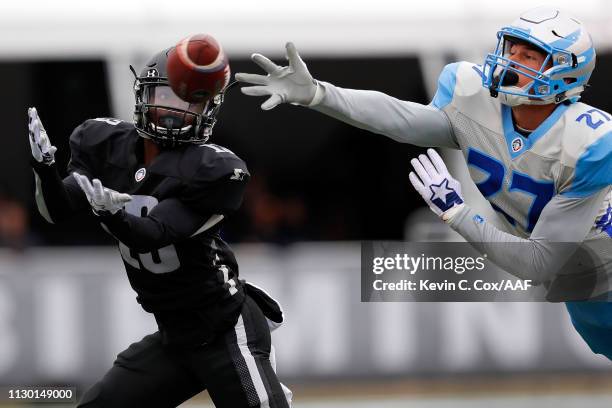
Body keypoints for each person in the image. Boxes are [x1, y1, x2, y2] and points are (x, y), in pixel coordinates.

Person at [236, 6, 612, 360]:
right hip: (582, 287)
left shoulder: (588, 143)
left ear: (563, 72)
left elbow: (539, 263)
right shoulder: (474, 98)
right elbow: (401, 120)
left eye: (528, 56)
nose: (509, 59)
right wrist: (320, 94)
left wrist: (459, 214)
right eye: (511, 47)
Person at [29, 45, 292, 407]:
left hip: (226, 330)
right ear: (143, 93)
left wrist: (111, 215)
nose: (174, 110)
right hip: (174, 337)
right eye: (168, 95)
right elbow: (56, 210)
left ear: (208, 110)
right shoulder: (105, 143)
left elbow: (153, 234)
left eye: (191, 101)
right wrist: (44, 170)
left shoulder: (214, 169)